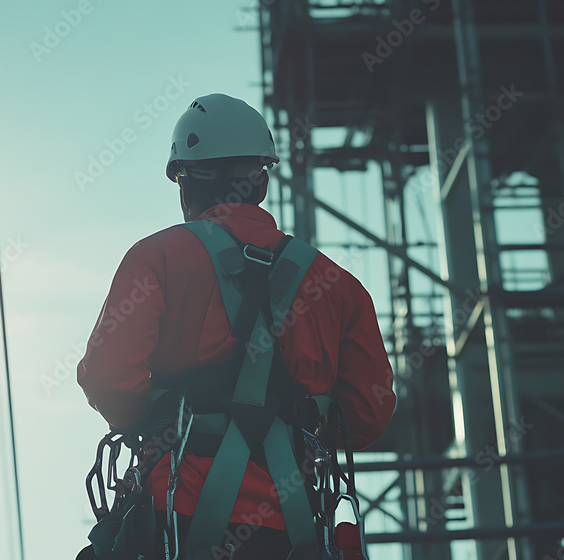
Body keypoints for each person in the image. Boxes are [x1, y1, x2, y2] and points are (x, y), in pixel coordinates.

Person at [77, 93, 396, 559]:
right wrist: (299, 423)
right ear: (260, 183)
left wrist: (161, 417)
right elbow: (369, 413)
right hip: (291, 530)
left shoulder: (155, 257)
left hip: (174, 517)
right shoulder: (339, 287)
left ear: (186, 184)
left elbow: (107, 375)